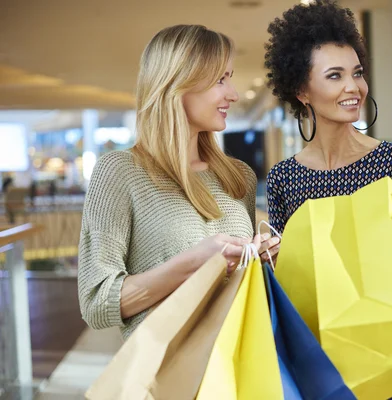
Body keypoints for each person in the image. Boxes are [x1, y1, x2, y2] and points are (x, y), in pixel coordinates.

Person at [78, 25, 280, 339]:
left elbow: (243, 284)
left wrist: (264, 259)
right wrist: (192, 264)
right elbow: (96, 302)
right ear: (177, 83)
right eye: (220, 80)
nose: (233, 94)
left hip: (241, 362)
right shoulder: (120, 172)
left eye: (230, 77)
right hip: (169, 373)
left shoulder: (238, 175)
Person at [265, 0, 392, 247]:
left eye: (357, 73)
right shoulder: (282, 178)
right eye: (335, 75)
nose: (353, 87)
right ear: (301, 91)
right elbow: (282, 271)